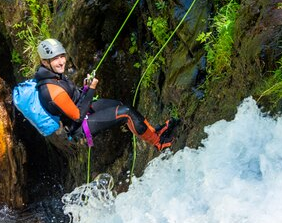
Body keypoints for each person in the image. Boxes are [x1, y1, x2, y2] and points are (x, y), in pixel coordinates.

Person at [34, 38, 176, 151]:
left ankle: (153, 132)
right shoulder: (52, 90)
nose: (61, 62)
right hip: (79, 127)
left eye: (62, 56)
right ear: (45, 62)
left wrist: (84, 88)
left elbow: (72, 97)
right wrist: (91, 89)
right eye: (55, 59)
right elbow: (77, 116)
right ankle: (158, 143)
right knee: (126, 112)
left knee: (119, 106)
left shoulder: (54, 74)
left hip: (83, 110)